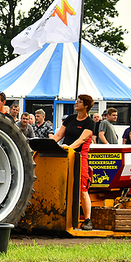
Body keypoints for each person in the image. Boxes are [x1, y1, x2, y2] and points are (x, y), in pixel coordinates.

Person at [52, 94, 96, 230]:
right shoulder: (70, 119)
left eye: (80, 101)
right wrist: (49, 144)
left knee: (82, 189)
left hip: (79, 157)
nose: (76, 103)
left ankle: (88, 219)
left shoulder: (89, 123)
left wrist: (68, 148)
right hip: (65, 155)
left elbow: (82, 140)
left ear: (86, 106)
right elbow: (59, 135)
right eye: (77, 101)